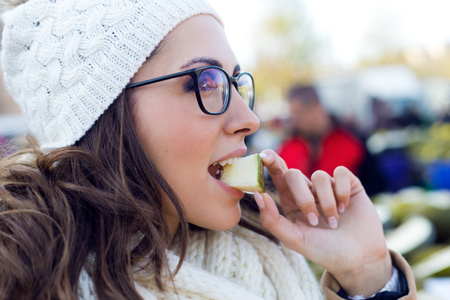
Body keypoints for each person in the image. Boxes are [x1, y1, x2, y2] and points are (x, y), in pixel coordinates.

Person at [0, 0, 416, 299]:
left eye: (235, 84)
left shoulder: (268, 260)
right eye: (205, 82)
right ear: (102, 114)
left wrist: (369, 275)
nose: (249, 119)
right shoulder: (30, 283)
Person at [278, 85, 366, 178]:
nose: (296, 121)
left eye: (300, 113)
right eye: (293, 115)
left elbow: (372, 185)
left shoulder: (351, 140)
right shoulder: (288, 146)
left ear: (316, 107)